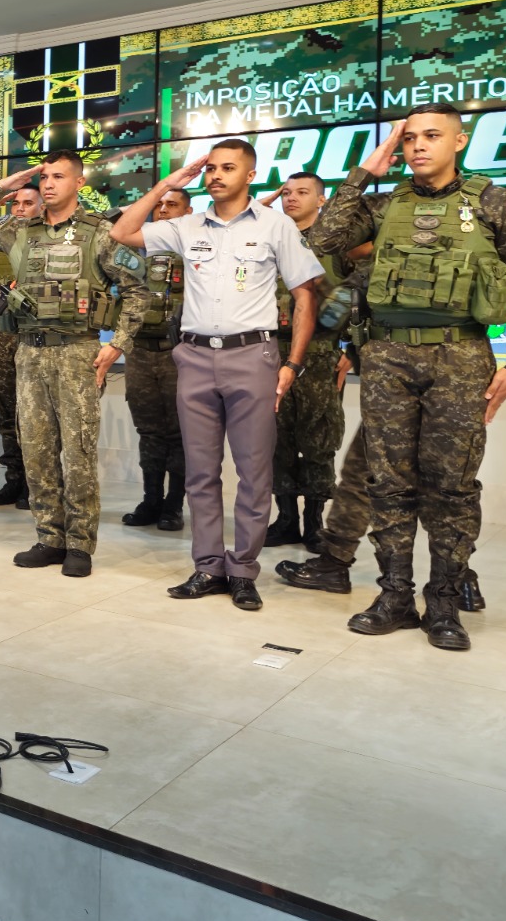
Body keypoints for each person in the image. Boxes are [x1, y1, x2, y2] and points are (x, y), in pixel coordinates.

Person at [307, 104, 506, 650]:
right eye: (409, 139)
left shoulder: (496, 204)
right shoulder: (384, 204)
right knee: (388, 483)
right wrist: (366, 172)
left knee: (453, 488)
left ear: (460, 140)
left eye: (431, 136)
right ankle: (395, 596)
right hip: (388, 359)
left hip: (462, 358)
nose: (418, 147)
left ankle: (446, 603)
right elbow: (323, 241)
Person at [111, 139, 322, 612]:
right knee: (201, 472)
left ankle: (243, 570)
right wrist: (167, 185)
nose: (216, 176)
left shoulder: (276, 225)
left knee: (253, 472)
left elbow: (306, 296)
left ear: (250, 175)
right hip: (195, 357)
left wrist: (292, 364)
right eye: (211, 168)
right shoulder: (187, 225)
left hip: (254, 357)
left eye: (229, 168)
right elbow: (123, 234)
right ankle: (208, 566)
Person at [0, 152, 148, 578]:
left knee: (76, 452)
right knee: (37, 451)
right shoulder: (20, 232)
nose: (47, 184)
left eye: (58, 177)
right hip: (28, 351)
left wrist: (117, 344)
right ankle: (49, 537)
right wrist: (4, 187)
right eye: (43, 177)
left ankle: (80, 544)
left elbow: (137, 291)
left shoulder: (100, 234)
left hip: (77, 353)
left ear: (79, 183)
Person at [258, 172, 348, 551]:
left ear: (322, 200)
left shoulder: (338, 245)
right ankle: (286, 519)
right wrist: (265, 201)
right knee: (274, 439)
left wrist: (350, 352)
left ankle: (314, 522)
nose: (291, 199)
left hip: (319, 356)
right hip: (269, 353)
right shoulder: (267, 238)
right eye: (286, 193)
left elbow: (357, 298)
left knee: (318, 440)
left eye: (302, 192)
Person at [121, 186, 190, 531]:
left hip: (179, 354)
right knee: (148, 430)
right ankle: (151, 500)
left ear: (187, 212)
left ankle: (174, 505)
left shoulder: (197, 249)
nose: (163, 210)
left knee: (180, 433)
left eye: (172, 205)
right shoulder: (135, 250)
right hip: (139, 353)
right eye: (159, 205)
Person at [0, 183, 40, 510]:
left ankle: (37, 483)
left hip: (34, 333)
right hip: (1, 331)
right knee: (7, 411)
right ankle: (14, 479)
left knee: (34, 414)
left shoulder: (50, 237)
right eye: (16, 203)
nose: (20, 208)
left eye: (28, 203)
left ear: (41, 208)